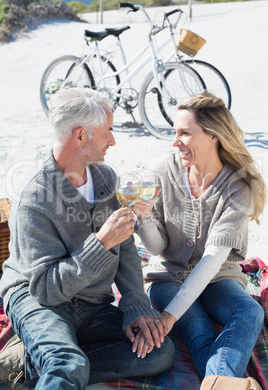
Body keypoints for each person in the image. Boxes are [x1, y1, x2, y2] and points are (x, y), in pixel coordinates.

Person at [0, 87, 174, 389]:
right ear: (79, 136)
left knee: (159, 351)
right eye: (107, 131)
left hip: (91, 301)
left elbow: (126, 247)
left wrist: (135, 304)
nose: (113, 140)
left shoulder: (105, 178)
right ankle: (58, 360)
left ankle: (33, 364)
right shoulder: (35, 200)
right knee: (69, 365)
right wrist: (101, 243)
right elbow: (46, 289)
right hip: (36, 298)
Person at [133, 91, 267, 380]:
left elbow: (212, 260)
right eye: (174, 132)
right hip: (167, 278)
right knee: (200, 332)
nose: (175, 141)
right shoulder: (164, 172)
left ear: (213, 136)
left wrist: (169, 317)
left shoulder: (237, 187)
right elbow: (157, 249)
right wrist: (144, 218)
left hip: (219, 276)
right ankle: (227, 385)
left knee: (250, 312)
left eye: (184, 133)